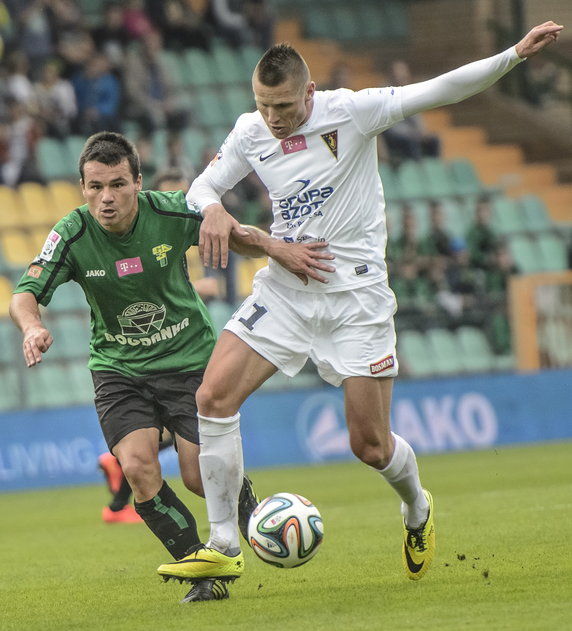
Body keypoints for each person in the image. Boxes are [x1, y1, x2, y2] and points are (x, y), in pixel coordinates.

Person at [153, 21, 563, 594]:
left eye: (284, 105)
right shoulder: (251, 132)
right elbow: (200, 188)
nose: (273, 116)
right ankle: (222, 544)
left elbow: (438, 89)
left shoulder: (352, 112)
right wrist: (213, 210)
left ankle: (416, 508)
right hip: (286, 292)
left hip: (356, 300)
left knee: (369, 445)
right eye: (264, 104)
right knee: (212, 397)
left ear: (310, 92)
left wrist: (512, 56)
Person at [9, 131, 332, 602]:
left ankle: (254, 517)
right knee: (138, 469)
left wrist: (277, 248)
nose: (106, 198)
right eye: (95, 186)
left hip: (188, 361)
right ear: (83, 187)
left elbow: (234, 236)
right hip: (118, 370)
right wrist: (31, 327)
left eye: (117, 184)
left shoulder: (171, 211)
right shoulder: (72, 233)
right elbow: (24, 293)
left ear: (138, 182)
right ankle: (204, 574)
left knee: (199, 476)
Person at [97, 166, 215, 525]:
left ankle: (118, 491)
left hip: (179, 347)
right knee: (169, 437)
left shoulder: (179, 230)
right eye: (173, 192)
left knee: (165, 437)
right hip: (157, 353)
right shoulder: (152, 230)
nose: (181, 202)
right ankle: (119, 497)